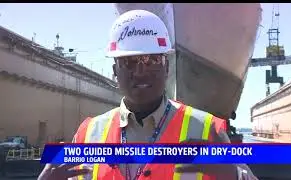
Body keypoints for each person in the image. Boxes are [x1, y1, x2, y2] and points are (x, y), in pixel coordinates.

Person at [38, 9, 258, 180]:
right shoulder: (88, 135)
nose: (141, 71)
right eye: (129, 62)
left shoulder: (206, 130)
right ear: (115, 71)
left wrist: (233, 174)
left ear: (167, 68)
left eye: (152, 60)